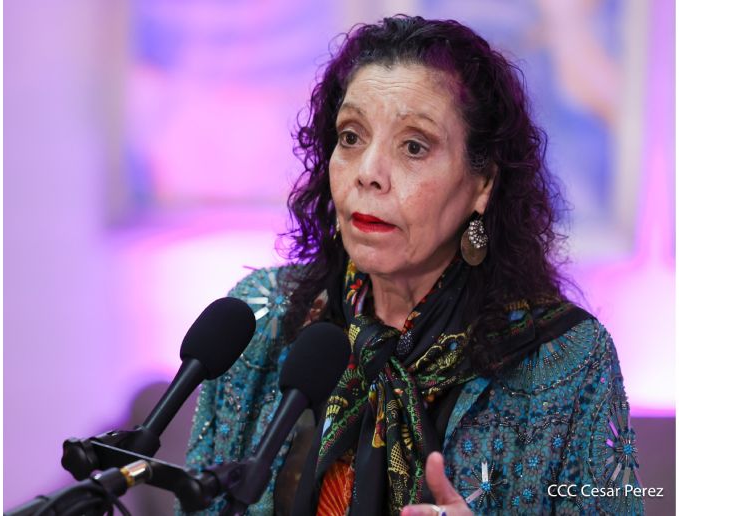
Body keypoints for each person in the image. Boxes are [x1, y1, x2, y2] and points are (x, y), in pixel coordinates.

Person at [181, 16, 643, 516]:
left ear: (482, 184)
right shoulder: (262, 319)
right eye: (351, 137)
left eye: (414, 146)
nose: (368, 173)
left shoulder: (565, 359)